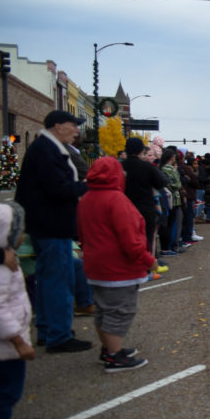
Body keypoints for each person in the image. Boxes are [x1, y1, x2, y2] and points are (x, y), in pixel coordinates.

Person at [14, 110, 90, 353]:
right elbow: (58, 189)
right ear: (58, 126)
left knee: (47, 280)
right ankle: (59, 335)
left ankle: (48, 330)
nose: (77, 130)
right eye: (73, 125)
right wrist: (87, 186)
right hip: (51, 225)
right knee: (59, 281)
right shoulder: (47, 150)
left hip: (44, 225)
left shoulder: (43, 148)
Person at [76, 157, 157, 372]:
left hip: (96, 265)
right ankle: (114, 356)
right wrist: (149, 261)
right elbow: (131, 240)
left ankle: (109, 348)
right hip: (118, 269)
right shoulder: (117, 200)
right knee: (119, 311)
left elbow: (82, 234)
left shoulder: (86, 199)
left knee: (103, 310)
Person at [0, 203, 36, 419]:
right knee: (3, 391)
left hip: (6, 342)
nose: (22, 237)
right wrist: (17, 341)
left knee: (7, 389)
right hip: (2, 346)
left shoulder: (2, 260)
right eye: (18, 232)